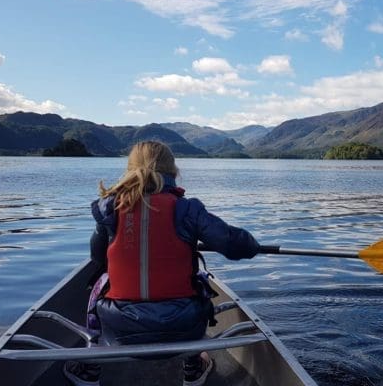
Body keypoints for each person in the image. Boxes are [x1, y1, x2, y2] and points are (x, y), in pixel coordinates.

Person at [64, 141, 260, 386]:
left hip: (119, 329)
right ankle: (193, 363)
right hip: (184, 325)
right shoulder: (188, 210)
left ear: (130, 168)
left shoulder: (110, 209)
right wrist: (253, 245)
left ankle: (89, 367)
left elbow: (97, 258)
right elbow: (236, 245)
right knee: (200, 278)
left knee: (99, 283)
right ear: (172, 171)